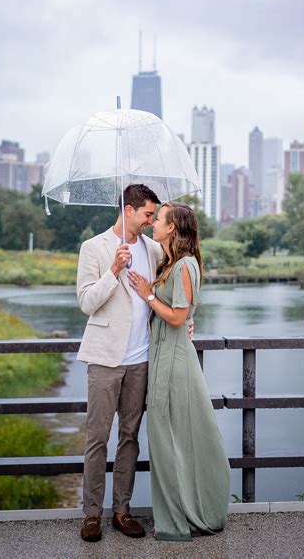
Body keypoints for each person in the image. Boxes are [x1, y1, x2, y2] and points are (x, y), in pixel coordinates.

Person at [128, 202, 230, 542]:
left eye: (158, 219)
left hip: (173, 359)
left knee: (171, 436)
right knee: (164, 436)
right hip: (162, 354)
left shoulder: (185, 265)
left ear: (172, 228)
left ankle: (181, 517)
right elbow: (181, 315)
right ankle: (175, 513)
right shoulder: (170, 262)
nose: (154, 223)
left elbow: (176, 317)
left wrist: (147, 296)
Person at [76, 184, 161, 542]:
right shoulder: (93, 247)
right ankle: (92, 514)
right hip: (105, 359)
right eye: (146, 215)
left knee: (130, 437)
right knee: (97, 437)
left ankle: (122, 511)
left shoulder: (154, 249)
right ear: (128, 210)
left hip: (141, 359)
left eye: (154, 217)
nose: (150, 221)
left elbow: (167, 291)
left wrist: (186, 317)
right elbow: (85, 302)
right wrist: (113, 270)